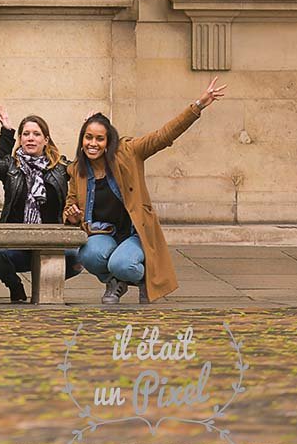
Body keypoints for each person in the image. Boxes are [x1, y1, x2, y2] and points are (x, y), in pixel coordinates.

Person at [64, 77, 227, 304]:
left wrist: (198, 105)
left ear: (108, 141)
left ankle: (143, 279)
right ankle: (114, 282)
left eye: (100, 138)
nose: (93, 143)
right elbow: (70, 206)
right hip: (104, 234)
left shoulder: (129, 152)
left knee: (122, 264)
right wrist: (71, 216)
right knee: (87, 254)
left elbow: (163, 136)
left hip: (134, 233)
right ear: (81, 140)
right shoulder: (77, 170)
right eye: (88, 137)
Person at [0, 106, 82, 302]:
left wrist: (84, 134)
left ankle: (44, 285)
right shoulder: (10, 166)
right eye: (26, 134)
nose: (31, 138)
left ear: (46, 140)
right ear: (20, 139)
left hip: (52, 243)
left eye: (37, 134)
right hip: (16, 244)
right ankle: (15, 285)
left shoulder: (61, 167)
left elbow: (85, 169)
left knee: (77, 259)